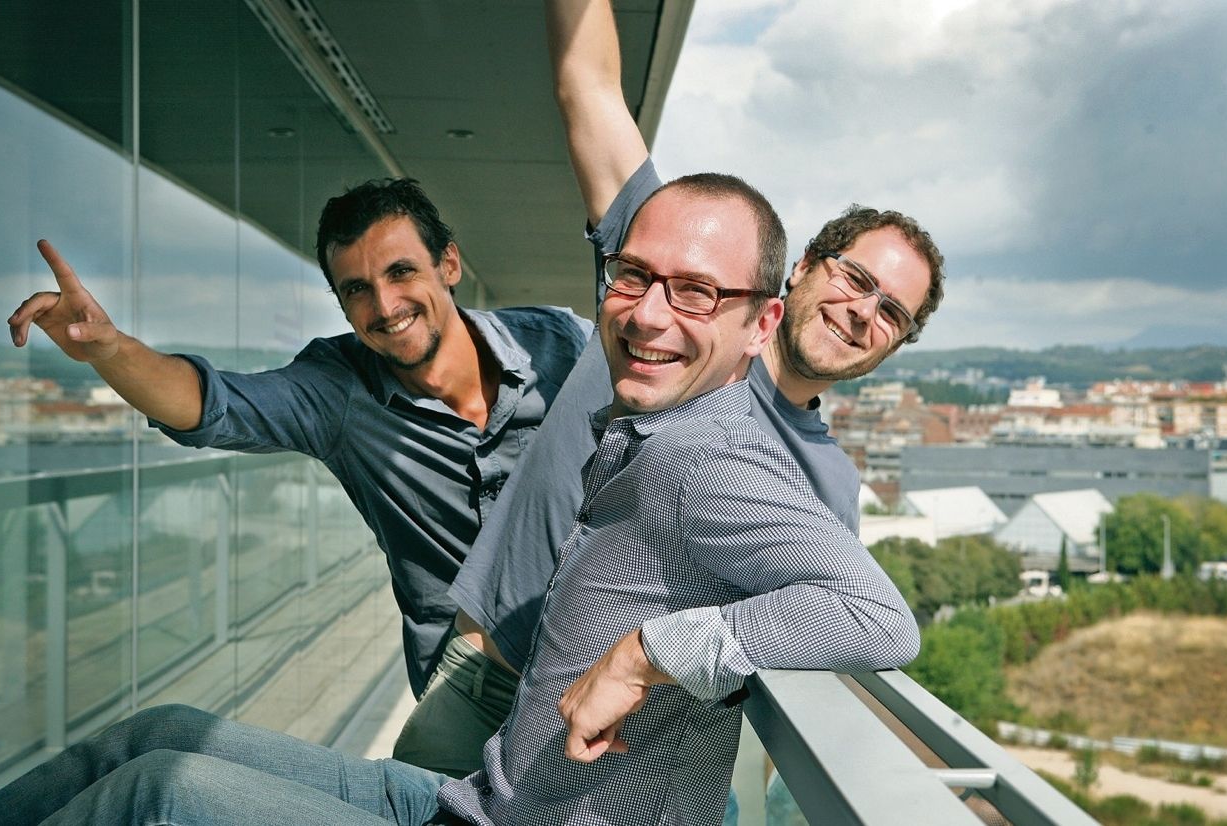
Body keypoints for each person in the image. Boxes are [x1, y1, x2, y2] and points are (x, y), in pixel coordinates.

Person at [0, 170, 917, 826]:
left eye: (698, 294)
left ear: (762, 320)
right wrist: (112, 352)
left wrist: (647, 654)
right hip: (484, 770)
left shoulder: (696, 448)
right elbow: (216, 406)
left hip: (525, 797)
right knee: (159, 734)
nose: (652, 313)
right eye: (632, 277)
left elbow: (874, 616)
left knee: (158, 790)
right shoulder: (609, 407)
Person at [395, 0, 946, 779]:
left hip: (600, 748)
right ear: (799, 271)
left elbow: (803, 630)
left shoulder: (827, 486)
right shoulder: (662, 291)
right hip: (486, 680)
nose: (863, 312)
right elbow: (588, 85)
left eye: (892, 312)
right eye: (855, 278)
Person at [4, 179, 591, 699]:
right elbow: (212, 403)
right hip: (471, 685)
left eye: (401, 272)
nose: (385, 306)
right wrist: (110, 350)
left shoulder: (563, 346)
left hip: (596, 650)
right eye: (357, 289)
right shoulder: (339, 393)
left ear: (450, 265)